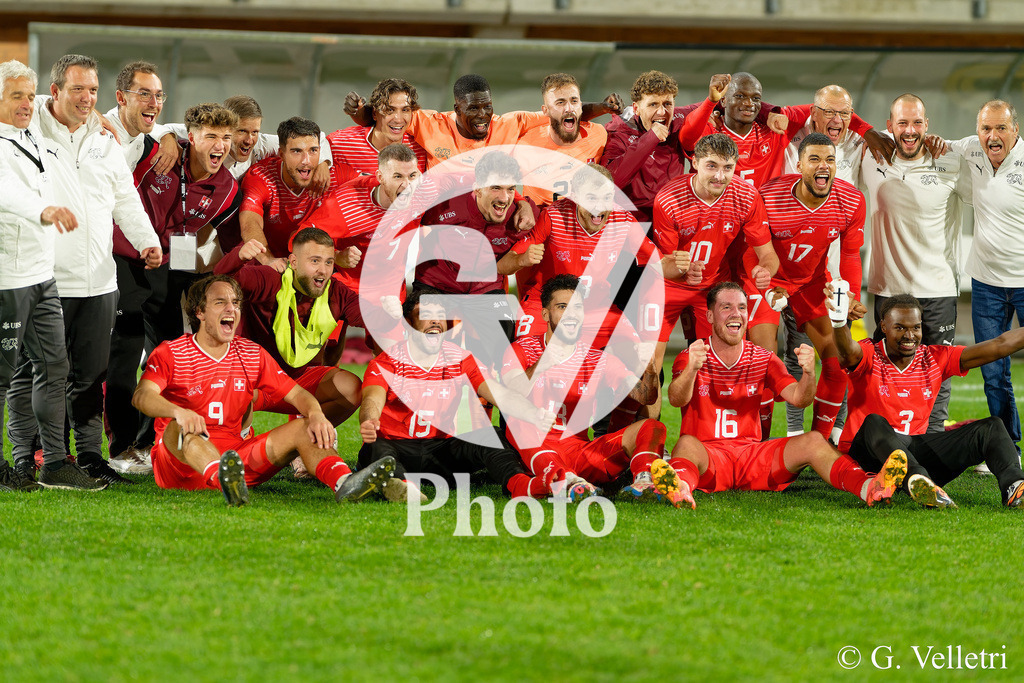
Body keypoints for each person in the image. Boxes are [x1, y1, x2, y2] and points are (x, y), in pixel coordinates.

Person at [7, 54, 162, 486]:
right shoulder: (28, 128)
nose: (87, 98)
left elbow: (125, 198)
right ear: (53, 92)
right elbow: (17, 98)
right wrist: (48, 103)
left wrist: (147, 239)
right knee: (34, 374)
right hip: (45, 277)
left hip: (99, 280)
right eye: (77, 89)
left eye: (92, 90)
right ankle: (25, 457)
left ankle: (89, 456)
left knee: (90, 378)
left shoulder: (105, 140)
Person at [132, 274, 395, 505]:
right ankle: (220, 477)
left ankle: (345, 482)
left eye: (235, 302)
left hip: (237, 459)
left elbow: (297, 394)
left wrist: (315, 414)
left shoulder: (250, 353)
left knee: (305, 426)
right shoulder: (172, 352)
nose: (231, 309)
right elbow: (142, 396)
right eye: (220, 302)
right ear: (199, 311)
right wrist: (179, 412)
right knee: (180, 427)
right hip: (179, 465)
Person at [664, 282, 906, 508]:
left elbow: (800, 398)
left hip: (752, 456)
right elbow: (676, 399)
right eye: (726, 308)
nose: (735, 314)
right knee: (686, 444)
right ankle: (681, 488)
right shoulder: (692, 355)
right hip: (709, 457)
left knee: (812, 440)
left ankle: (869, 487)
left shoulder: (763, 357)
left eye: (741, 307)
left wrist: (809, 374)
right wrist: (691, 370)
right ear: (709, 316)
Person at [501, 274, 685, 505]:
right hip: (535, 452)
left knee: (651, 426)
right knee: (517, 420)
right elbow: (507, 394)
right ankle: (565, 481)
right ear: (545, 314)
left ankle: (644, 481)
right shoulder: (523, 349)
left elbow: (644, 396)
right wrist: (543, 363)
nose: (571, 314)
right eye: (562, 306)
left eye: (577, 307)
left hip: (579, 452)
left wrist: (649, 370)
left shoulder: (596, 359)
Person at [358, 287, 555, 502]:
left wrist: (533, 413)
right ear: (408, 323)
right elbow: (372, 399)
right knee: (374, 445)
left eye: (441, 316)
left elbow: (499, 394)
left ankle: (520, 485)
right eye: (426, 315)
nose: (435, 321)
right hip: (396, 447)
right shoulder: (387, 361)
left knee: (490, 435)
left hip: (440, 450)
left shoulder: (460, 358)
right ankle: (400, 485)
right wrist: (369, 420)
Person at [0, 59, 96, 492]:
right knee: (2, 378)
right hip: (8, 279)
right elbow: (9, 193)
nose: (26, 104)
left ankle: (54, 462)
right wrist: (44, 210)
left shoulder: (29, 131)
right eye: (15, 96)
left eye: (28, 95)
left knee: (55, 366)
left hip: (42, 276)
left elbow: (60, 99)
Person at [833, 293, 1024, 508]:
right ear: (883, 327)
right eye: (900, 328)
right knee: (874, 422)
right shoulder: (870, 354)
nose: (910, 335)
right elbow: (847, 353)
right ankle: (917, 479)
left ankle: (1015, 487)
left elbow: (1000, 345)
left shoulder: (933, 358)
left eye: (916, 327)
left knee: (992, 427)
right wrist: (839, 322)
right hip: (872, 457)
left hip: (915, 449)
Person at [861, 94, 972, 432]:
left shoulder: (950, 160)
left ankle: (935, 439)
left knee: (941, 370)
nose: (910, 130)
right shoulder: (870, 154)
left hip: (937, 287)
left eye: (917, 123)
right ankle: (884, 438)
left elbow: (987, 191)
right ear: (889, 125)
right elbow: (831, 122)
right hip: (888, 288)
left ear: (928, 125)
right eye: (903, 123)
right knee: (883, 370)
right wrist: (866, 132)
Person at [746, 133, 866, 440]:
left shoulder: (851, 200)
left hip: (811, 282)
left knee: (838, 360)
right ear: (798, 165)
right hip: (768, 281)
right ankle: (757, 441)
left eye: (829, 160)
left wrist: (850, 293)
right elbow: (752, 251)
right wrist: (767, 286)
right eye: (814, 159)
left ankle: (819, 442)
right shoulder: (769, 196)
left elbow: (851, 254)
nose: (822, 166)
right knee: (763, 360)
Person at [650, 133, 777, 401]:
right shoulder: (669, 198)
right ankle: (647, 437)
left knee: (719, 363)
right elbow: (660, 265)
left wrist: (765, 270)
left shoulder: (746, 195)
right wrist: (680, 268)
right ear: (694, 162)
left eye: (727, 168)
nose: (720, 176)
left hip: (713, 287)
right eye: (712, 166)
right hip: (668, 287)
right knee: (649, 367)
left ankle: (710, 435)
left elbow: (768, 254)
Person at [214, 228, 375, 424]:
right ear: (294, 262)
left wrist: (388, 311)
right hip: (254, 382)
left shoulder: (336, 292)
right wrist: (237, 257)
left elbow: (371, 318)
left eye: (329, 262)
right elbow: (219, 283)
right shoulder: (270, 279)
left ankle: (299, 442)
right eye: (314, 261)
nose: (323, 270)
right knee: (232, 383)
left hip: (298, 383)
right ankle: (243, 442)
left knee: (350, 388)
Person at [414, 150, 539, 370]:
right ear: (478, 187)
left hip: (485, 288)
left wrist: (525, 205)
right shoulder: (446, 203)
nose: (504, 198)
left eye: (511, 188)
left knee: (506, 351)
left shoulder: (524, 216)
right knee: (430, 350)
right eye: (496, 187)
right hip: (437, 285)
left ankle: (491, 401)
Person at [344, 73, 621, 170]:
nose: (482, 115)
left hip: (490, 225)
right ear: (456, 108)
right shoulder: (429, 122)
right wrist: (357, 112)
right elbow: (388, 116)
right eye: (473, 108)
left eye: (487, 107)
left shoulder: (509, 123)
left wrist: (603, 107)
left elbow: (561, 111)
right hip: (443, 223)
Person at [949, 100, 1024, 455]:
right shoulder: (970, 150)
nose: (992, 137)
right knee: (994, 374)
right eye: (985, 129)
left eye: (1001, 128)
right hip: (986, 285)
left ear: (1016, 130)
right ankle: (1008, 448)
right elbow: (922, 140)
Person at [239, 116, 359, 270]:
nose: (306, 161)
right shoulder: (261, 176)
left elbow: (376, 187)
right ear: (281, 154)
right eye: (297, 151)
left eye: (313, 151)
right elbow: (250, 223)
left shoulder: (333, 176)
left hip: (317, 269)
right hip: (271, 266)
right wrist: (268, 260)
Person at [517, 73, 608, 207]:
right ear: (545, 110)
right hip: (541, 224)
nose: (569, 109)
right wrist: (521, 204)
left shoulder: (599, 135)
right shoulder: (525, 144)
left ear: (581, 106)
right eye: (560, 103)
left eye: (574, 101)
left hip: (583, 224)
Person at [327, 77, 428, 174]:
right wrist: (323, 162)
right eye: (389, 110)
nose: (398, 119)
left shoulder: (421, 148)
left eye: (405, 110)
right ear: (375, 114)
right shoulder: (339, 144)